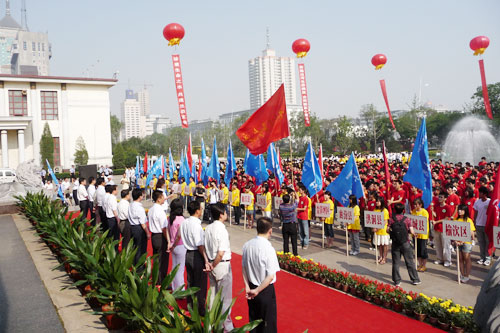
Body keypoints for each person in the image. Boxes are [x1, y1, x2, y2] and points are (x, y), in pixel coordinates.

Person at [242, 217, 280, 333]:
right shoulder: (268, 249)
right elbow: (270, 276)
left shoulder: (247, 245)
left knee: (253, 321)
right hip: (264, 290)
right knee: (268, 323)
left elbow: (244, 267)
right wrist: (258, 290)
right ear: (270, 231)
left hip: (252, 287)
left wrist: (247, 286)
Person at [204, 203, 234, 331]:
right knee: (225, 299)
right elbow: (221, 253)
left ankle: (211, 324)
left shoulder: (208, 228)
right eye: (225, 212)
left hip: (211, 264)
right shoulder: (221, 229)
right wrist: (214, 264)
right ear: (221, 215)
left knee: (212, 296)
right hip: (221, 265)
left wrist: (208, 263)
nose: (226, 214)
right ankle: (226, 327)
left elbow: (204, 247)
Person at [180, 200, 212, 316]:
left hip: (188, 253)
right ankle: (200, 309)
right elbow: (199, 245)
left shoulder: (185, 222)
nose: (202, 210)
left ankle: (190, 305)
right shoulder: (196, 225)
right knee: (200, 283)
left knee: (190, 280)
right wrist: (206, 259)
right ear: (197, 211)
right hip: (196, 254)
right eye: (201, 208)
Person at [388, 203, 421, 286]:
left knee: (396, 262)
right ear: (403, 210)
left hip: (395, 243)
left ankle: (397, 281)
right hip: (405, 242)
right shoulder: (407, 219)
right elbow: (412, 231)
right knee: (409, 261)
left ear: (394, 210)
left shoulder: (391, 219)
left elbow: (387, 230)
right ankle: (415, 279)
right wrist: (413, 234)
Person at [148, 190, 171, 285]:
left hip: (154, 236)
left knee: (156, 259)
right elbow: (164, 228)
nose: (164, 199)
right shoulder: (160, 211)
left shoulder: (151, 209)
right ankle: (162, 281)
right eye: (162, 197)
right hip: (160, 236)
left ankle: (156, 278)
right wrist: (169, 241)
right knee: (163, 260)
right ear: (158, 199)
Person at [168, 198, 187, 290]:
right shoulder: (181, 219)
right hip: (179, 245)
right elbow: (179, 235)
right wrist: (174, 244)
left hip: (173, 245)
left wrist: (171, 243)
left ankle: (174, 286)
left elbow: (168, 231)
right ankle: (180, 289)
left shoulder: (171, 218)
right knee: (180, 269)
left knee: (174, 267)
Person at [128, 188, 149, 266]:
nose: (143, 196)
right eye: (142, 194)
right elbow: (143, 223)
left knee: (135, 247)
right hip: (139, 229)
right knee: (141, 249)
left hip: (132, 227)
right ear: (140, 196)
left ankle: (135, 264)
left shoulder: (130, 205)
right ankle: (140, 267)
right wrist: (147, 233)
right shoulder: (139, 208)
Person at [432, 191, 453, 267]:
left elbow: (447, 218)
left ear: (445, 199)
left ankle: (447, 260)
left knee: (446, 245)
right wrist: (432, 211)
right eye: (439, 197)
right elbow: (436, 215)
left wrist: (436, 221)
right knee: (438, 244)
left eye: (441, 197)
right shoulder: (437, 206)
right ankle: (439, 259)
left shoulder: (447, 207)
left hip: (445, 228)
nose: (439, 198)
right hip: (437, 228)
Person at [456, 204, 476, 283]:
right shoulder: (456, 220)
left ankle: (467, 275)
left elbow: (471, 232)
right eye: (459, 210)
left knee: (467, 258)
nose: (459, 211)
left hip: (466, 242)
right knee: (460, 259)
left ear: (465, 211)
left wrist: (464, 241)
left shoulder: (468, 220)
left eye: (461, 210)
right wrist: (455, 241)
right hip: (458, 242)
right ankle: (462, 274)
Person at [474, 186, 491, 266]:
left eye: (480, 192)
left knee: (487, 242)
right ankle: (482, 257)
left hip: (487, 225)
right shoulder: (477, 202)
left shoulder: (490, 202)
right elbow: (475, 213)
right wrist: (475, 222)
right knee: (481, 242)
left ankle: (488, 258)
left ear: (484, 194)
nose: (479, 194)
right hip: (479, 224)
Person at [412, 198, 430, 272]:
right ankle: (419, 264)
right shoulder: (413, 211)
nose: (415, 206)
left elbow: (424, 223)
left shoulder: (424, 212)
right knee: (417, 250)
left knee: (423, 250)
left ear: (420, 205)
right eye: (414, 204)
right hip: (415, 234)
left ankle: (424, 265)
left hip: (423, 235)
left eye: (417, 204)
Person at [373, 197, 390, 264]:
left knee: (385, 245)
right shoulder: (375, 210)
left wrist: (377, 228)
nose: (377, 202)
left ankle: (384, 258)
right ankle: (380, 256)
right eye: (376, 201)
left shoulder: (385, 211)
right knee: (380, 245)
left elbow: (385, 221)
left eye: (378, 201)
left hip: (383, 231)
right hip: (377, 231)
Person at [105, 185, 120, 250]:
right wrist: (118, 219)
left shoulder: (110, 197)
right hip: (112, 218)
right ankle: (114, 250)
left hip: (109, 218)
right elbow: (114, 210)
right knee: (115, 236)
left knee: (111, 234)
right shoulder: (113, 198)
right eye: (116, 189)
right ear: (114, 191)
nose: (117, 191)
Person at [297, 185, 310, 250]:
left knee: (305, 231)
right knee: (300, 230)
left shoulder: (306, 199)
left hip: (304, 216)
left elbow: (304, 208)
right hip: (299, 216)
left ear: (303, 191)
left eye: (300, 190)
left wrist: (297, 209)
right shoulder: (300, 198)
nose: (299, 191)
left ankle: (306, 243)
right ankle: (301, 242)